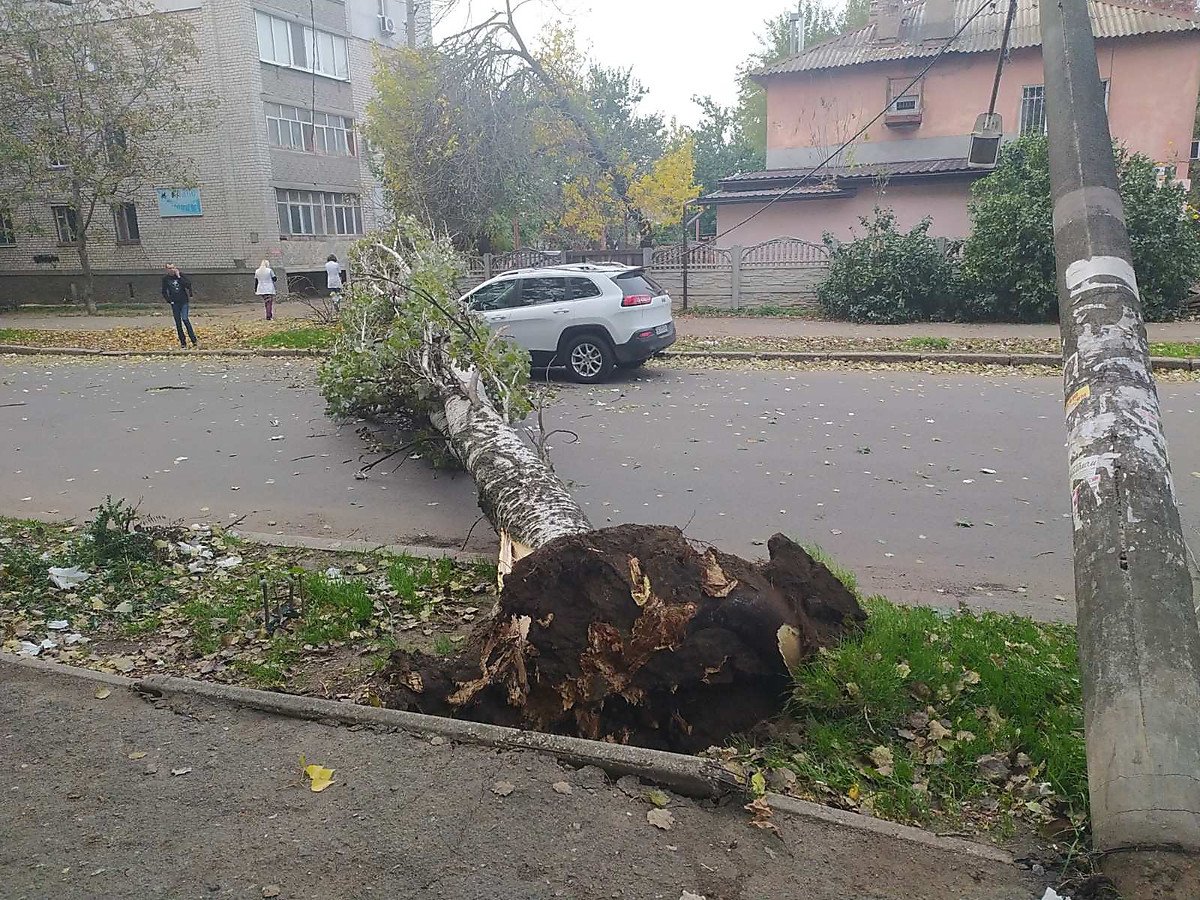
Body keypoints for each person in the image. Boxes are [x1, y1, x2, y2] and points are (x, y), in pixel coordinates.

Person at [161, 263, 197, 348]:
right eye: (169, 268)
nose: (172, 270)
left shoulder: (180, 275)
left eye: (173, 268)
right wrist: (169, 301)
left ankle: (194, 340)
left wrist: (179, 277)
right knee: (178, 323)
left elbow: (188, 285)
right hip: (175, 303)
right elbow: (164, 291)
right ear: (166, 270)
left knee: (185, 319)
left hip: (184, 302)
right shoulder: (165, 279)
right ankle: (183, 342)